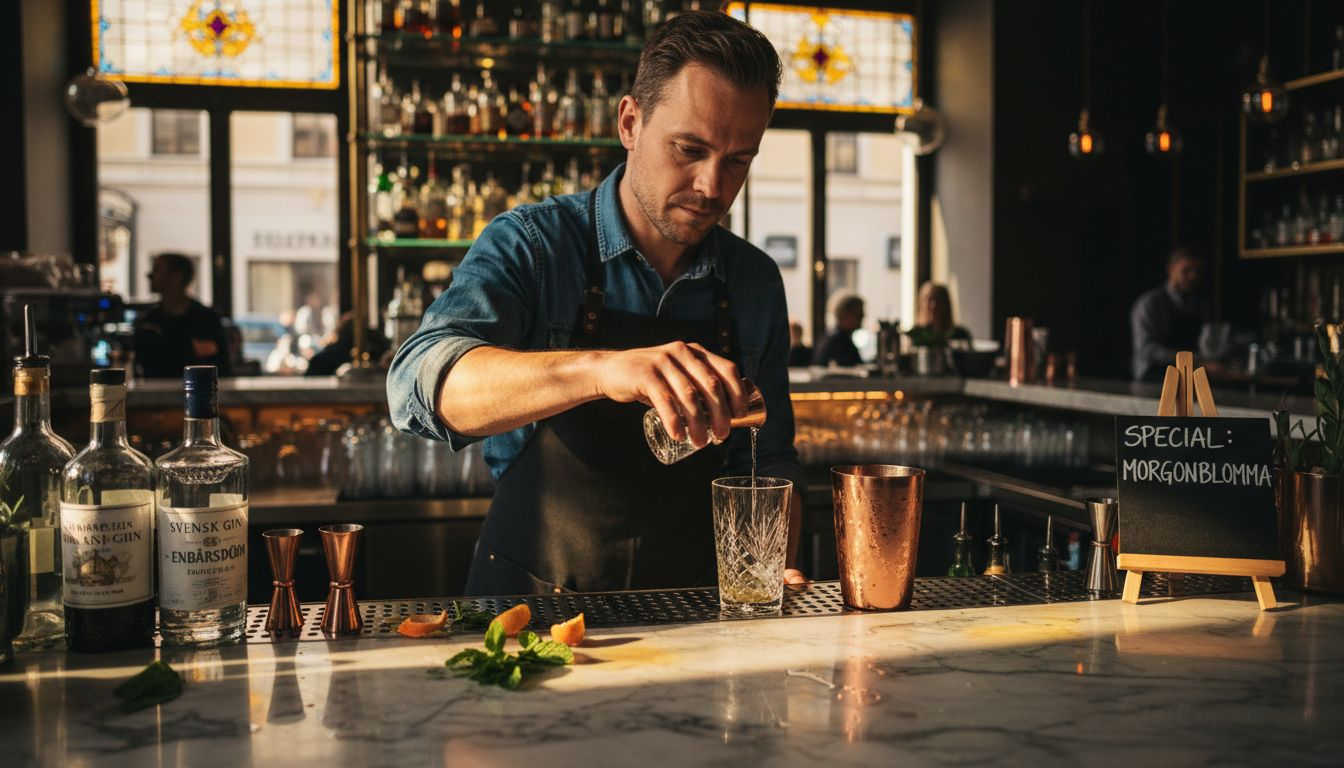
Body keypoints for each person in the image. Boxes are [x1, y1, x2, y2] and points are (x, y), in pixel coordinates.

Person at [388, 12, 806, 596]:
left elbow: (767, 462)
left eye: (738, 160)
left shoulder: (753, 281)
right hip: (530, 609)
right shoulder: (535, 245)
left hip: (690, 614)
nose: (713, 186)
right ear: (630, 122)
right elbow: (416, 384)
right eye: (689, 149)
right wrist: (602, 369)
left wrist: (772, 560)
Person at [133, 252, 232, 378]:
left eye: (157, 270)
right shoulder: (148, 320)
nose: (149, 275)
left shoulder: (206, 319)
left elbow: (221, 365)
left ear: (177, 277)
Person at [1130, 246, 1209, 382]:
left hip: (1187, 375)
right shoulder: (1150, 303)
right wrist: (1195, 360)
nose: (1193, 276)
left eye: (1197, 272)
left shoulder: (1198, 305)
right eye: (1186, 271)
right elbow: (1146, 348)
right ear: (1170, 270)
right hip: (1152, 376)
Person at [812, 291, 865, 366]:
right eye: (858, 314)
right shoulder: (840, 341)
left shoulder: (832, 336)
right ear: (845, 315)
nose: (863, 316)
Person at [910, 282, 971, 346]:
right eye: (929, 300)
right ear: (921, 303)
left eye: (938, 300)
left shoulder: (960, 335)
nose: (934, 306)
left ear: (946, 304)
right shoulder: (915, 336)